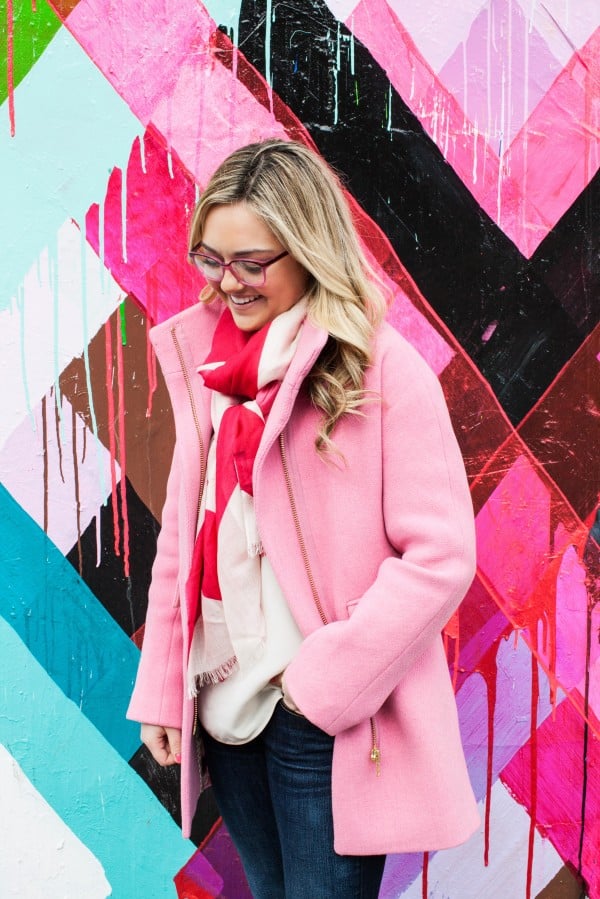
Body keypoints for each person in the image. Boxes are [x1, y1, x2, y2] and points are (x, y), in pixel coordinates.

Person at [127, 139, 479, 898]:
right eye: (212, 259)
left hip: (322, 718)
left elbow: (442, 554)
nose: (228, 283)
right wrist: (164, 687)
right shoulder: (209, 365)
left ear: (308, 247)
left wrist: (323, 684)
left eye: (252, 261)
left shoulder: (379, 368)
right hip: (226, 703)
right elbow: (183, 540)